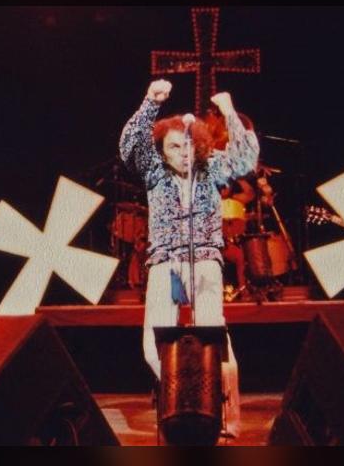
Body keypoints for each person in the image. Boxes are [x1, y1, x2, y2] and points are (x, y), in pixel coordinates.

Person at [119, 79, 259, 437]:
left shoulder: (210, 169)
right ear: (163, 151)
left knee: (215, 340)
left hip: (206, 264)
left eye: (187, 146)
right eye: (174, 146)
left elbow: (246, 159)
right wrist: (150, 101)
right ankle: (175, 408)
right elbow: (128, 147)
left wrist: (229, 112)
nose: (183, 152)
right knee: (154, 344)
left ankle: (225, 420)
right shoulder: (154, 173)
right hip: (167, 265)